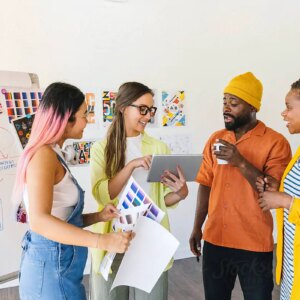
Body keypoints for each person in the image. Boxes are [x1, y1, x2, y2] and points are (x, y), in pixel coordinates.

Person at [14, 82, 133, 300]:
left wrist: (98, 216)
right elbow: (40, 221)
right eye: (84, 114)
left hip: (61, 267)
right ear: (65, 118)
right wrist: (102, 240)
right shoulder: (43, 156)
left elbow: (61, 217)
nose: (87, 121)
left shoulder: (54, 154)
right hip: (50, 270)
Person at [189, 72, 292, 300]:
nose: (226, 108)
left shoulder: (276, 142)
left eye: (234, 103)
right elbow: (205, 184)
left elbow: (273, 191)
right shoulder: (215, 138)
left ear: (253, 107)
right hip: (215, 240)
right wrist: (198, 227)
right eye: (224, 102)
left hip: (254, 245)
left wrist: (240, 161)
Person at [90, 81, 188, 300]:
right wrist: (131, 166)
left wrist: (180, 193)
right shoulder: (101, 149)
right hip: (113, 240)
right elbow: (102, 194)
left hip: (150, 239)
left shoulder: (159, 148)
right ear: (124, 107)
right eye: (143, 109)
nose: (148, 116)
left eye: (151, 110)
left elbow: (163, 200)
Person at [256, 79, 300, 300]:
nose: (284, 113)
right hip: (292, 264)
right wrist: (278, 188)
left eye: (289, 107)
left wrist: (285, 201)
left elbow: (292, 201)